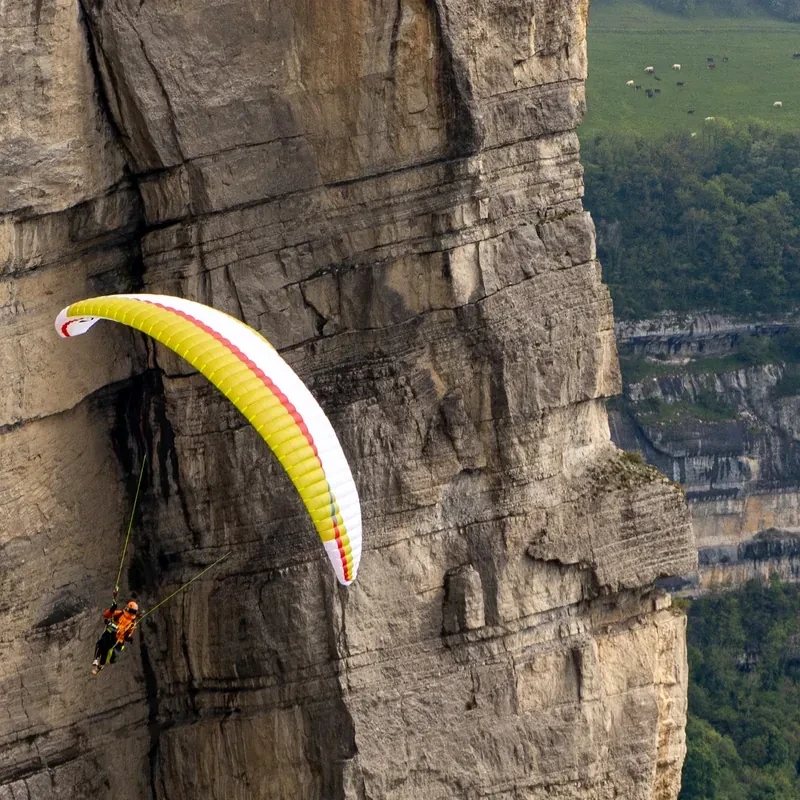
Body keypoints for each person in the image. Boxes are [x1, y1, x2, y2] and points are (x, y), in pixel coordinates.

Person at [92, 597, 139, 674]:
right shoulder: (120, 613)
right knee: (101, 645)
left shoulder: (131, 623)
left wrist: (128, 637)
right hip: (109, 632)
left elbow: (127, 635)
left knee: (103, 648)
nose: (128, 610)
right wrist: (112, 609)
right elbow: (106, 615)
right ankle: (97, 661)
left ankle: (99, 664)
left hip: (116, 639)